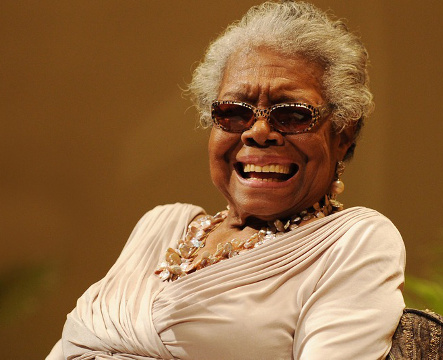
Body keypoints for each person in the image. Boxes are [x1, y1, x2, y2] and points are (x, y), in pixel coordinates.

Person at [47, 1, 405, 359]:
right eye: (233, 112)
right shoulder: (160, 226)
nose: (259, 132)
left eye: (293, 114)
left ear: (343, 133)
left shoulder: (353, 242)